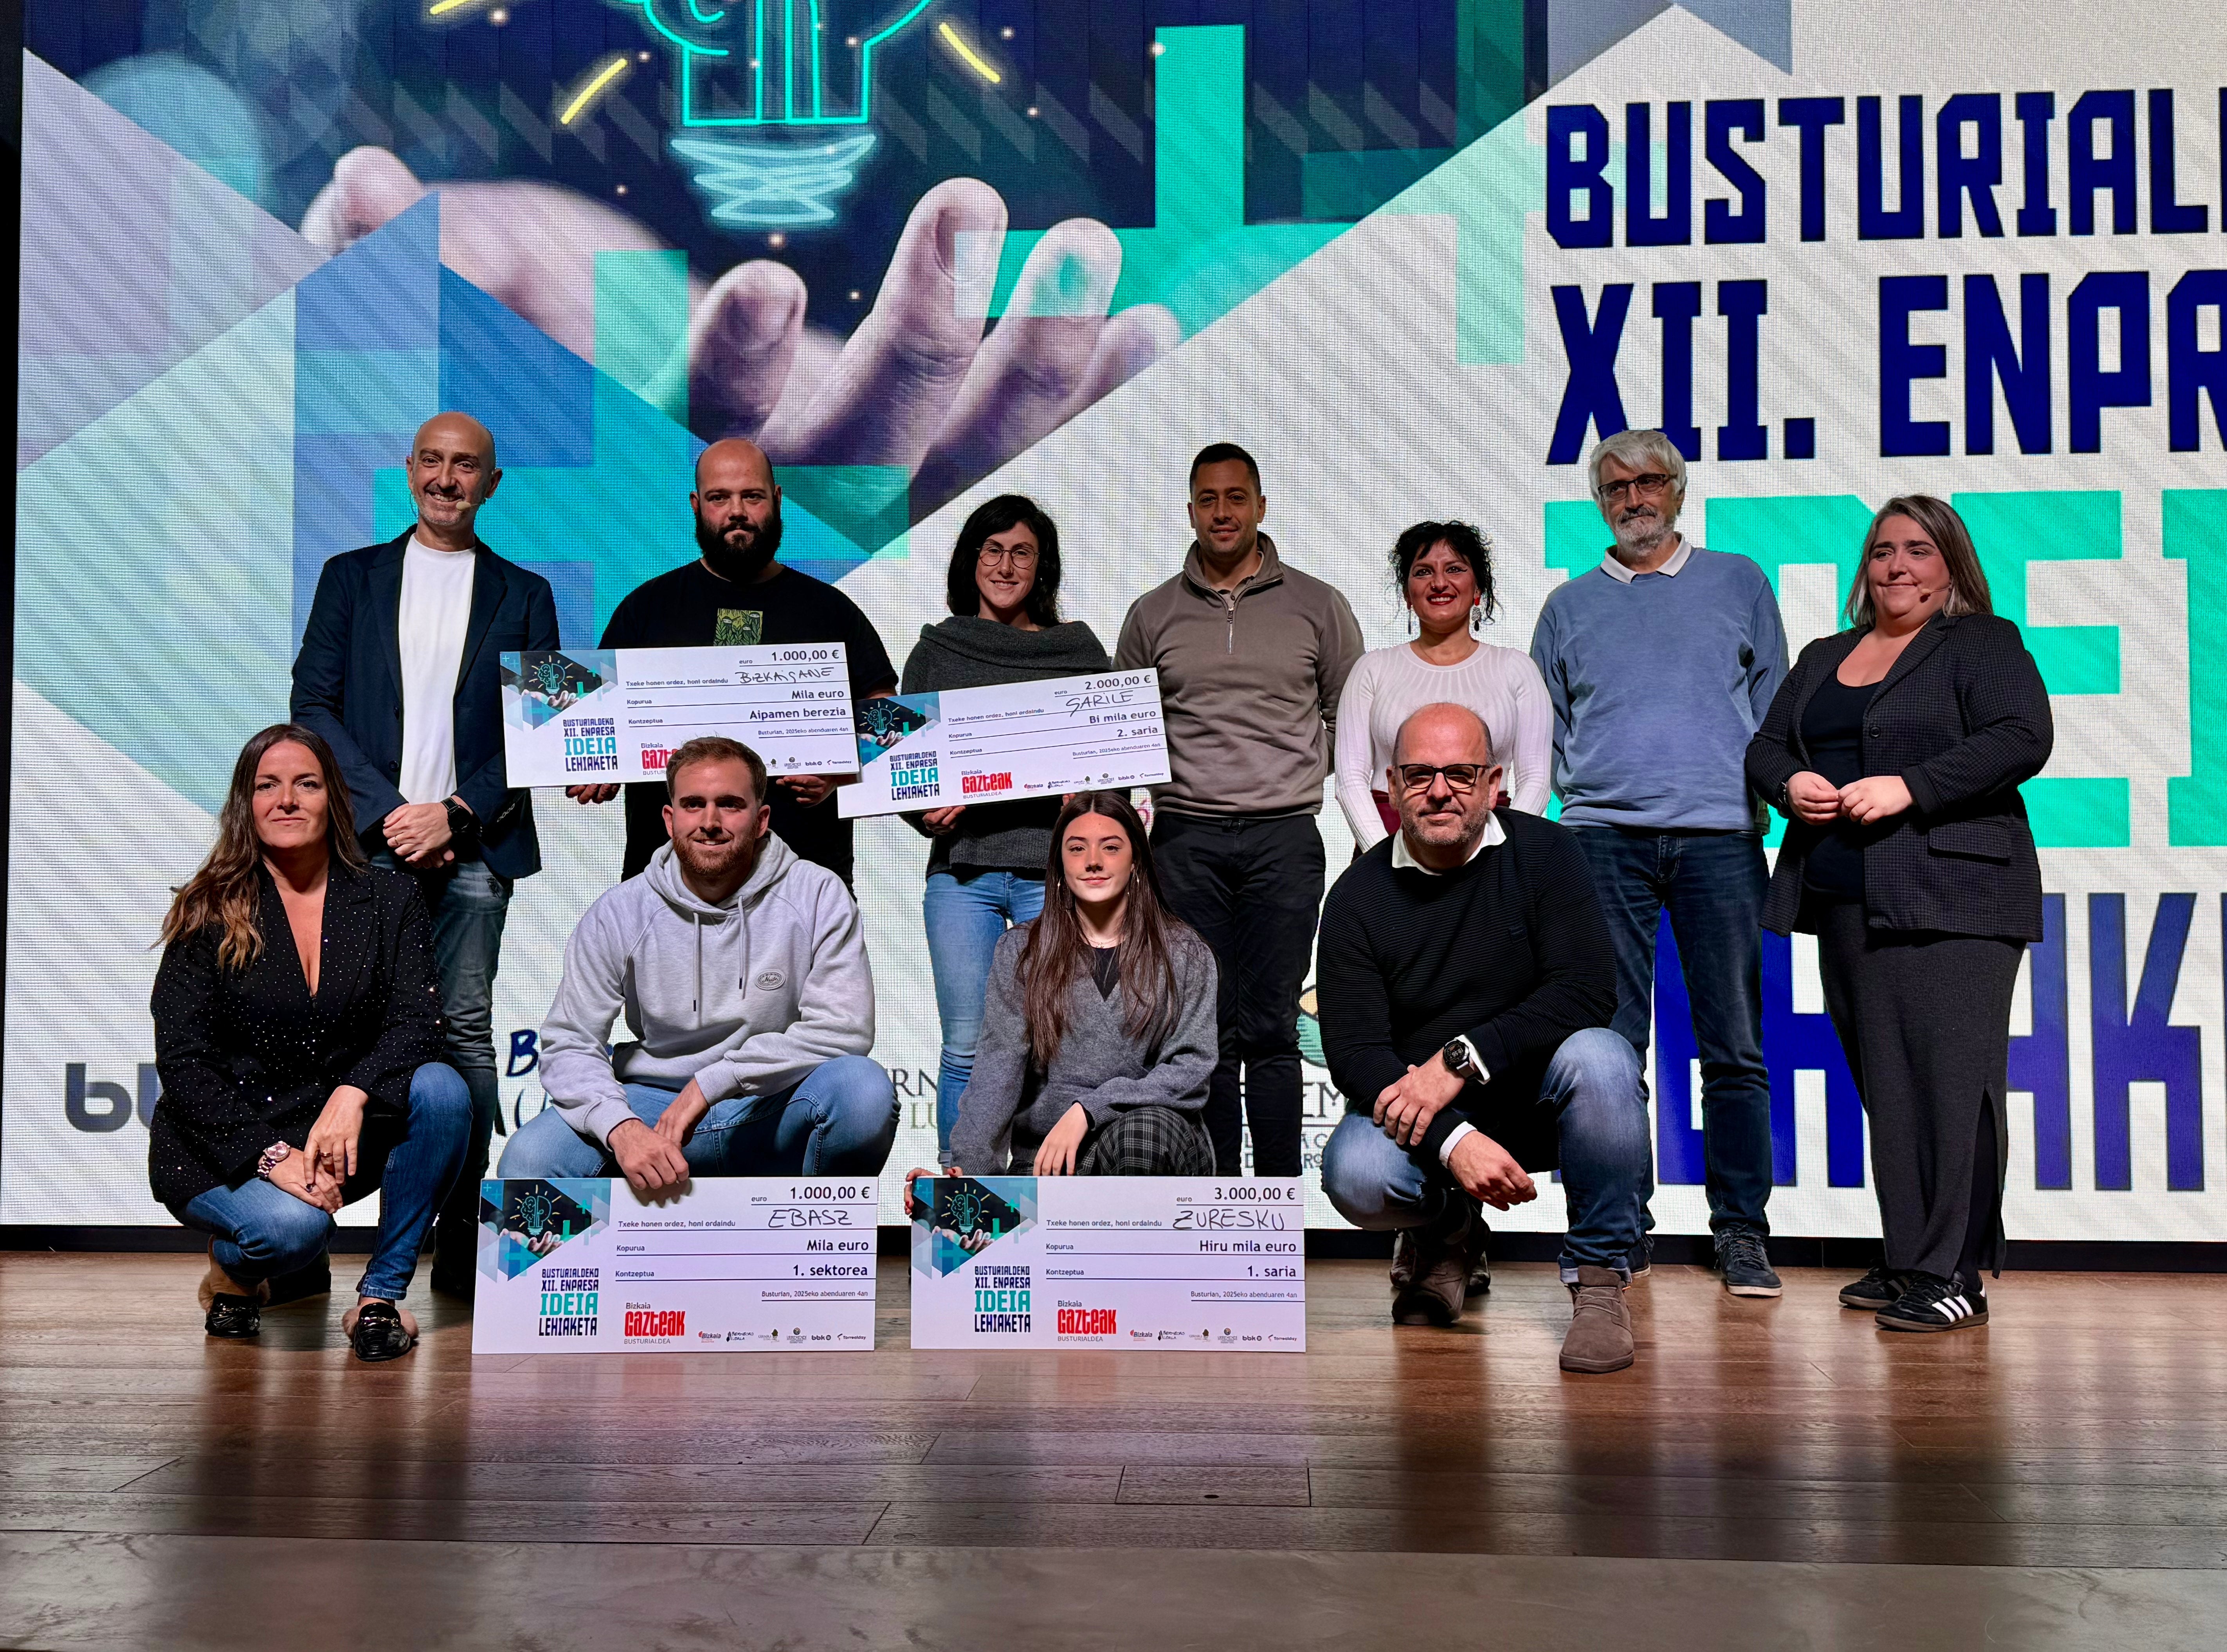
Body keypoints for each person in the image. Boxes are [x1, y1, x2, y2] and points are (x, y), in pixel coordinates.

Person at [1746, 497, 2052, 1332]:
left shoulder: (1981, 642)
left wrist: (1911, 787)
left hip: (1958, 897)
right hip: (1847, 898)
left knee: (1952, 1089)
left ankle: (1954, 1272)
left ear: (1949, 562)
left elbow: (2022, 735)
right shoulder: (1823, 655)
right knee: (1891, 1088)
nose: (1896, 566)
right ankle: (1915, 1254)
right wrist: (1788, 784)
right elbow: (1767, 745)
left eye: (1918, 550)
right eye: (1882, 550)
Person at [291, 410, 559, 1299]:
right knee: (342, 1036)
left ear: (492, 484)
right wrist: (389, 815)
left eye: (466, 467)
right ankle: (301, 1233)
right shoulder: (350, 579)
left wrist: (453, 813)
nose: (447, 479)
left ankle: (456, 1239)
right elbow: (312, 708)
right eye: (433, 463)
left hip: (475, 850)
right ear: (408, 470)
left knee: (466, 1037)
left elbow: (539, 729)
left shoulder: (525, 594)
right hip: (365, 852)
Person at [1528, 427, 1789, 1298]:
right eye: (1614, 487)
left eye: (1648, 482)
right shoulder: (1567, 607)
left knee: (1736, 1047)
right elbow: (1548, 732)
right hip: (1602, 839)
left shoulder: (1739, 582)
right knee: (1609, 1047)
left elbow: (1775, 711)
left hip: (1721, 836)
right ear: (1598, 502)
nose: (1633, 498)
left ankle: (1742, 1231)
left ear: (1677, 491)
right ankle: (1617, 1227)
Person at [1317, 704, 1646, 1372]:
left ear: (1495, 782)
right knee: (1356, 1173)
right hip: (1429, 1117)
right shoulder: (1356, 897)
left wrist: (1461, 1059)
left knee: (1604, 1057)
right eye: (1419, 774)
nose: (1440, 790)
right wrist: (1453, 1139)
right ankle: (1446, 1232)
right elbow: (1355, 1054)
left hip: (1538, 1099)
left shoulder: (1550, 853)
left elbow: (1585, 991)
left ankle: (1600, 1279)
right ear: (1391, 785)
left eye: (1461, 774)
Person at [149, 724, 472, 1362]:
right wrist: (271, 1159)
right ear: (248, 803)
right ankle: (234, 1269)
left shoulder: (391, 895)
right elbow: (184, 1062)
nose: (287, 800)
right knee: (295, 1233)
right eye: (268, 786)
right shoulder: (207, 907)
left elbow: (418, 1022)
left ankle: (379, 1298)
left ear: (336, 800)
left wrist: (354, 1093)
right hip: (227, 1142)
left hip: (335, 1134)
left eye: (307, 784)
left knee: (443, 1088)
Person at [1115, 442, 1364, 1176]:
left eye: (1236, 497)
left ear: (1261, 505)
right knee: (1208, 1033)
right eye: (1207, 499)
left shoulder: (1318, 604)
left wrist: (1288, 770)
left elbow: (1348, 716)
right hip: (1184, 839)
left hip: (1284, 837)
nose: (1222, 512)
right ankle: (1221, 1208)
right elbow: (1124, 728)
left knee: (1274, 1028)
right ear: (1190, 509)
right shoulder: (1152, 613)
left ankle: (1277, 1208)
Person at [500, 736, 897, 1189]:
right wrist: (620, 1127)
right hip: (651, 1110)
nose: (710, 822)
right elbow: (570, 1043)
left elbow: (844, 1029)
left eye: (729, 805)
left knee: (862, 1091)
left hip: (768, 1109)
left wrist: (713, 1082)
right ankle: (632, 1256)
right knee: (529, 1160)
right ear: (669, 819)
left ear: (761, 819)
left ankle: (808, 1251)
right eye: (693, 805)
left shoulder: (818, 893)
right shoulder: (620, 910)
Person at [566, 438, 897, 888]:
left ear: (776, 501)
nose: (736, 511)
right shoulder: (645, 610)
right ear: (696, 505)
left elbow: (889, 715)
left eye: (752, 496)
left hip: (805, 878)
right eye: (719, 497)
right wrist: (596, 765)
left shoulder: (831, 611)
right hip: (669, 882)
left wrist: (841, 770)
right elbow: (590, 712)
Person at [901, 495, 1113, 1166]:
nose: (1005, 564)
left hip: (1052, 879)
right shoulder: (937, 648)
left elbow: (1114, 763)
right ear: (971, 560)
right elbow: (905, 768)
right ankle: (963, 1206)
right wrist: (922, 809)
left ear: (1042, 565)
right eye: (992, 549)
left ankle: (1049, 1207)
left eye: (1022, 551)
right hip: (962, 878)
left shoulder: (1077, 649)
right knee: (967, 1044)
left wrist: (1089, 803)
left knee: (1059, 1045)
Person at [904, 792, 1216, 1196]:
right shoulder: (1023, 951)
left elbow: (1189, 1069)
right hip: (1053, 1159)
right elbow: (998, 1070)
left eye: (1111, 847)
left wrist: (1089, 1110)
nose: (1093, 861)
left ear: (1136, 859)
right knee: (964, 1239)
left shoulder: (1184, 952)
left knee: (1140, 1136)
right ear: (1059, 863)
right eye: (1076, 848)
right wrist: (966, 1178)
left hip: (1157, 1145)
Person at [1335, 520, 1552, 850]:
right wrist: (1384, 858)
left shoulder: (1516, 669)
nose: (1439, 583)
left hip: (1492, 844)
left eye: (1454, 569)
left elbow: (1536, 779)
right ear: (1407, 594)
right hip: (1388, 841)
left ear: (1478, 588)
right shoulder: (1372, 669)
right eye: (1423, 572)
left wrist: (1503, 854)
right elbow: (1350, 780)